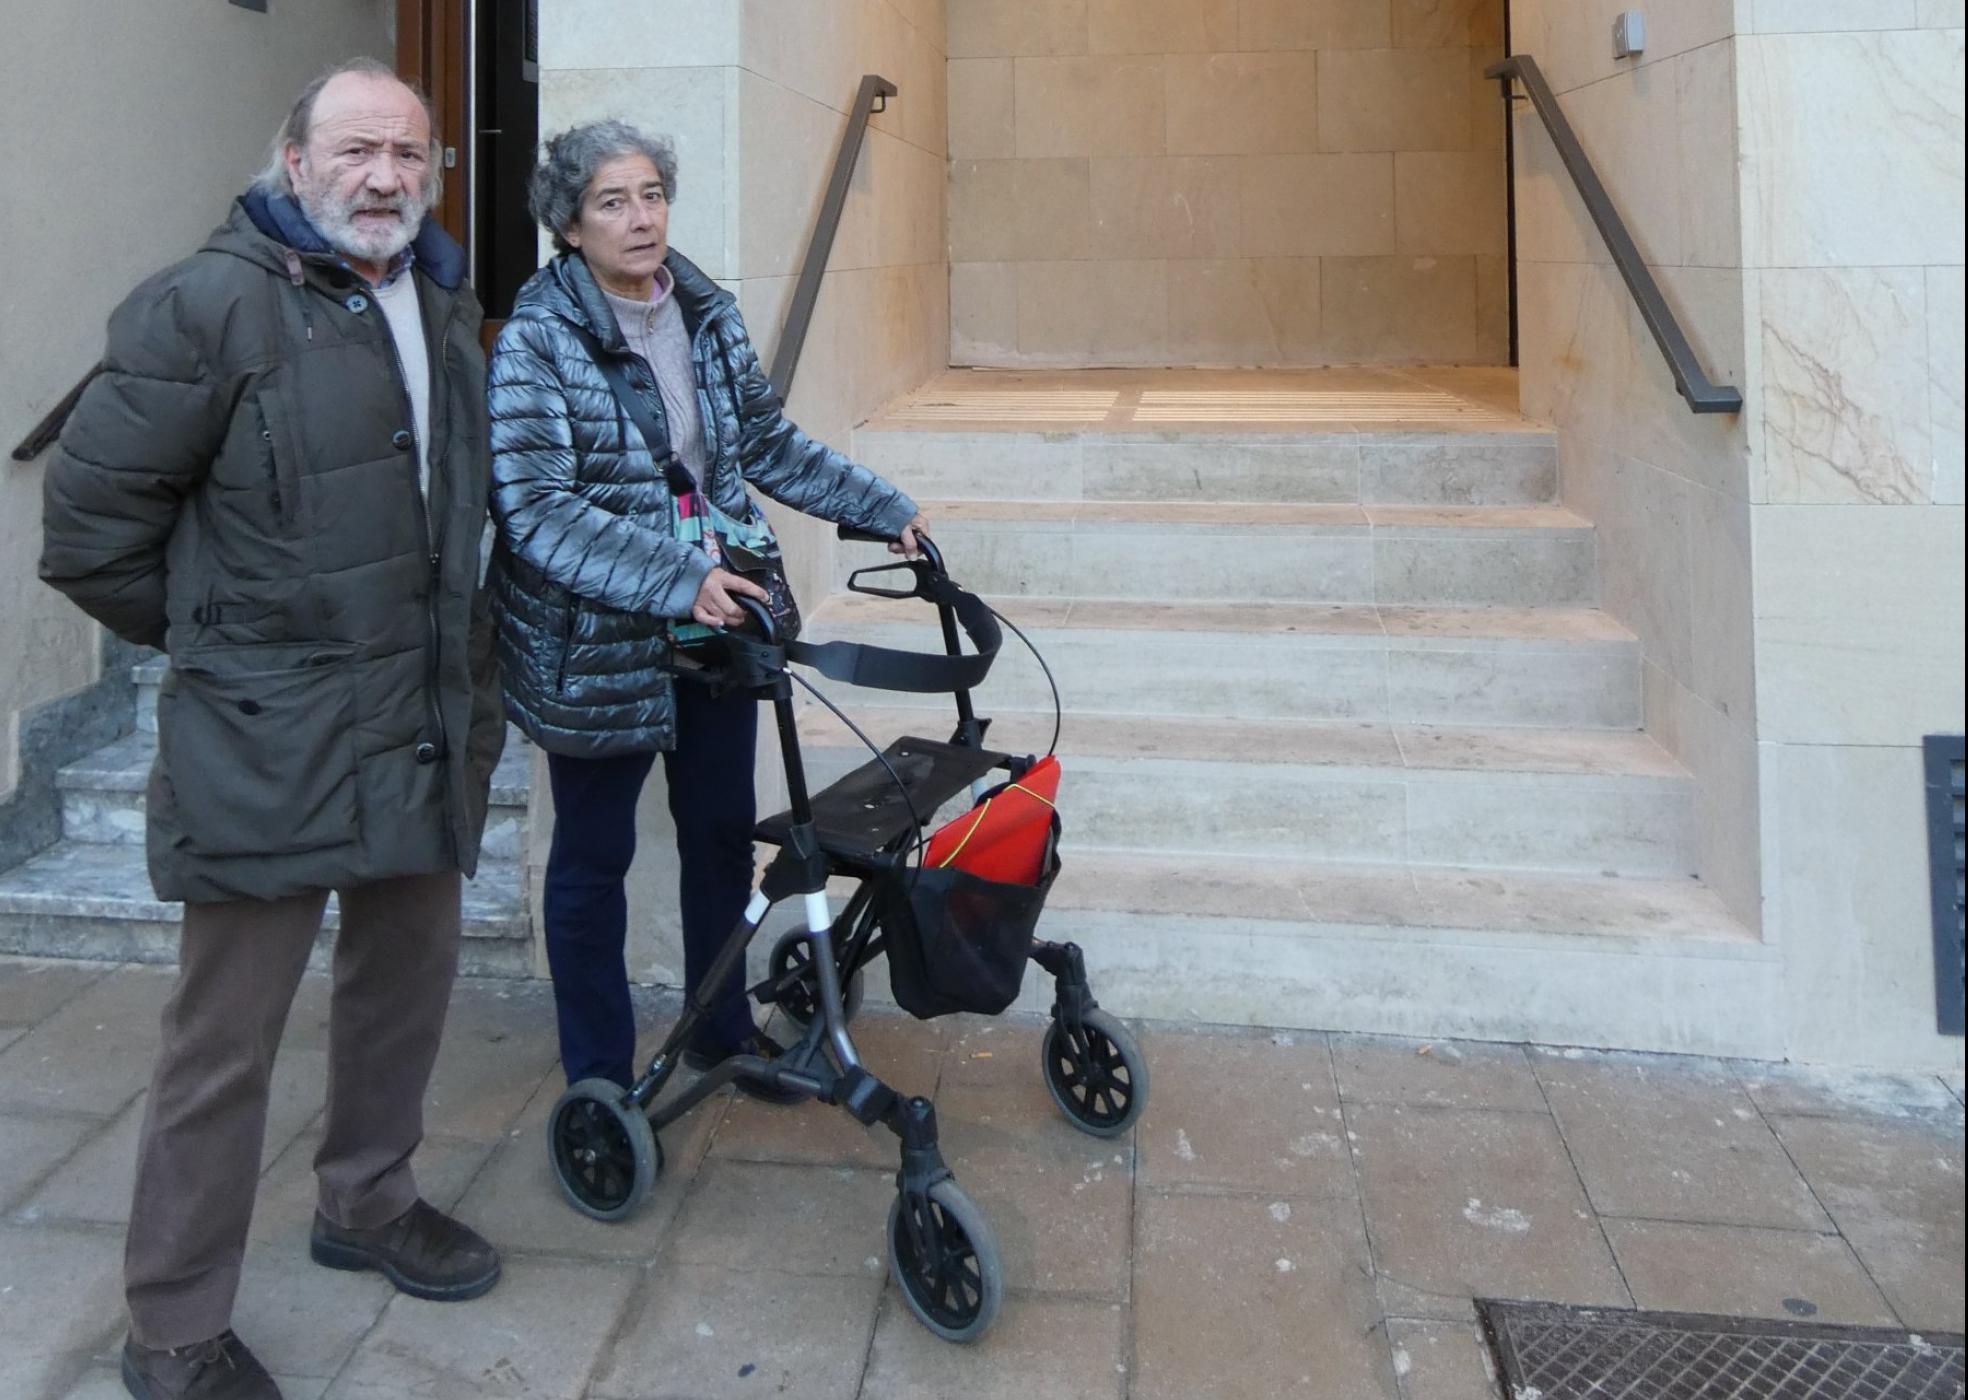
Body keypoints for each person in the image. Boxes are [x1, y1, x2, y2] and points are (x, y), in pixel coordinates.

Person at [38, 59, 508, 1400]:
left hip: (419, 716)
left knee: (402, 989)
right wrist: (235, 644)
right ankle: (173, 1326)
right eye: (356, 150)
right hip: (268, 739)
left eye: (409, 154)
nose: (385, 177)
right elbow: (90, 536)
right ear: (293, 162)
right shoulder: (205, 306)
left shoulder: (439, 296)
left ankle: (367, 1198)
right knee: (221, 1045)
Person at [486, 120, 926, 1100]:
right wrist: (677, 574)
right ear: (569, 224)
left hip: (719, 624)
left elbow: (765, 444)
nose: (641, 218)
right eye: (612, 202)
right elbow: (538, 508)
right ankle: (598, 1077)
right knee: (594, 856)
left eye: (651, 195)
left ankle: (720, 1029)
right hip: (595, 643)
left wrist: (881, 507)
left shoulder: (703, 311)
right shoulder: (537, 342)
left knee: (722, 833)